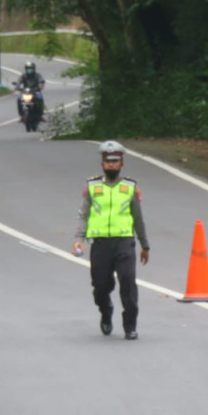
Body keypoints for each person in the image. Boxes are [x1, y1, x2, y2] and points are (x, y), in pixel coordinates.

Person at [72, 140, 150, 339]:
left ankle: (130, 326)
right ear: (102, 164)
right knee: (100, 286)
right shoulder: (92, 186)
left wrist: (144, 245)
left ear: (121, 164)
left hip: (124, 242)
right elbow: (84, 214)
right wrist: (79, 238)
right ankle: (106, 312)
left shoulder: (130, 187)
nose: (111, 165)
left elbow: (138, 218)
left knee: (128, 282)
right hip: (100, 244)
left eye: (115, 161)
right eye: (108, 161)